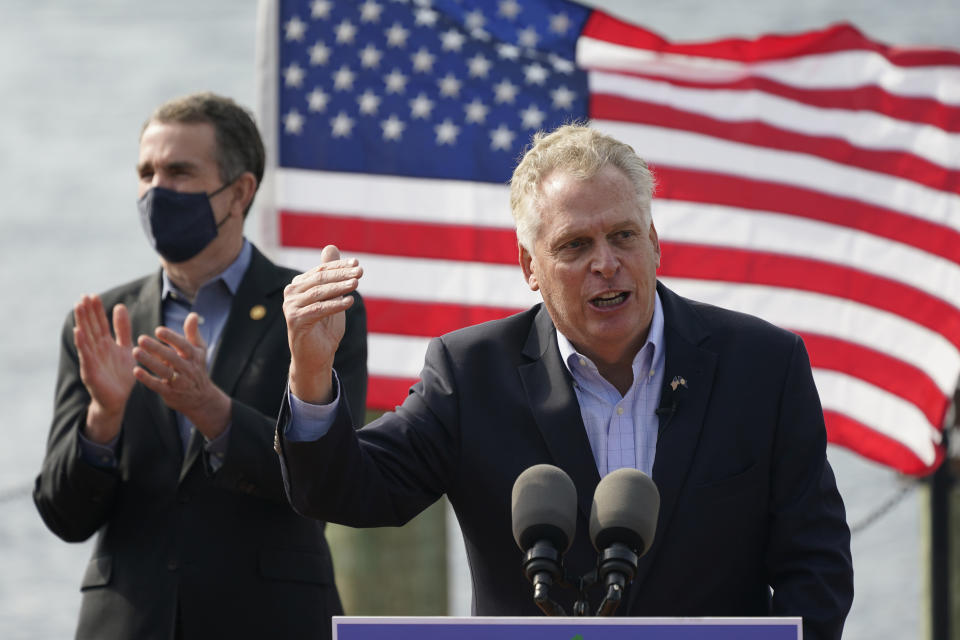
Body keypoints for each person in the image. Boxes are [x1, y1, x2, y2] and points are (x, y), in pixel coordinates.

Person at [276, 124, 853, 638]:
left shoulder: (762, 364)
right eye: (576, 245)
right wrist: (310, 369)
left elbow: (817, 565)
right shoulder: (471, 372)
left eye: (623, 236)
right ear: (530, 267)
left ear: (653, 242)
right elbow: (346, 490)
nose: (606, 263)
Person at [33, 92, 367, 640]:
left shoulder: (314, 310)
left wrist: (213, 411)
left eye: (179, 171)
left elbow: (332, 481)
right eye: (146, 172)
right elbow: (64, 515)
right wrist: (103, 418)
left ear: (239, 192)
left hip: (272, 621)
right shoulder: (99, 325)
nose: (155, 189)